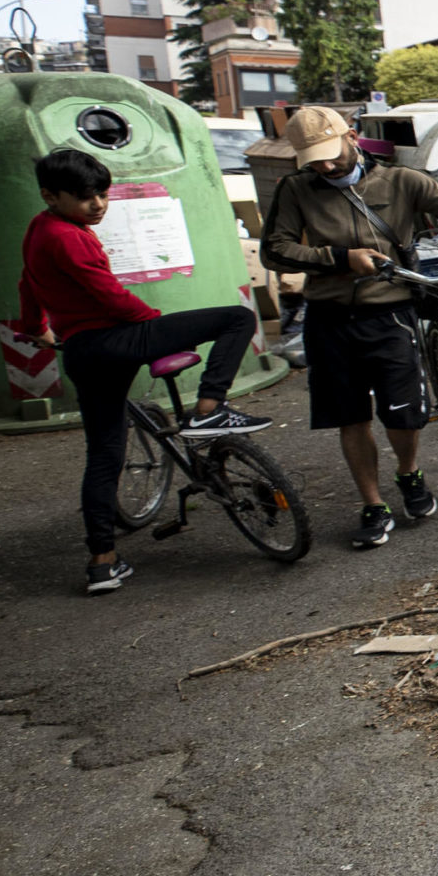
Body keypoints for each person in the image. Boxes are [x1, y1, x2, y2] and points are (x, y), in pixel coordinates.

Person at [261, 105, 438, 549]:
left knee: (402, 413)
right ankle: (373, 503)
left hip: (389, 310)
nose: (324, 165)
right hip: (330, 315)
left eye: (329, 153)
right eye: (313, 158)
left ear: (351, 136)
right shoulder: (296, 190)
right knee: (351, 417)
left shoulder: (400, 181)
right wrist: (339, 259)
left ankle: (409, 473)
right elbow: (275, 251)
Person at [19, 148, 270, 595]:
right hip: (115, 339)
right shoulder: (71, 237)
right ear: (50, 195)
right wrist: (155, 325)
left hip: (80, 352)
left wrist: (34, 327)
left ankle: (102, 562)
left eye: (102, 195)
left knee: (103, 456)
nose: (97, 205)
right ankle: (209, 407)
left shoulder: (39, 228)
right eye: (83, 197)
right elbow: (110, 297)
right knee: (237, 318)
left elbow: (28, 282)